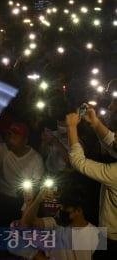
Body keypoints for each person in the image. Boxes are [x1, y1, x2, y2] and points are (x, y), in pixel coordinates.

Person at [65, 108, 117, 258]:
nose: (114, 136)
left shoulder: (114, 173)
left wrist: (71, 127)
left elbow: (78, 162)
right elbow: (113, 145)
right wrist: (95, 122)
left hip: (112, 241)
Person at [0, 122, 45, 226]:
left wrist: (25, 208)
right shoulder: (3, 149)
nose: (10, 140)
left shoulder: (36, 159)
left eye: (15, 137)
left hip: (20, 201)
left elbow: (36, 187)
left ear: (25, 140)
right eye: (9, 136)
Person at [13, 184, 100, 260]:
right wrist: (37, 200)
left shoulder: (95, 234)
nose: (60, 211)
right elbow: (29, 222)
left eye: (64, 208)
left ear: (77, 211)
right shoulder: (55, 224)